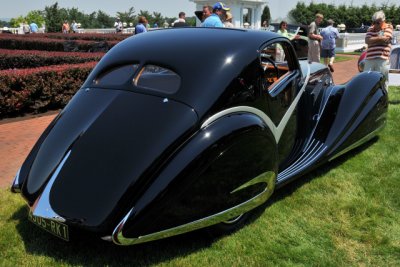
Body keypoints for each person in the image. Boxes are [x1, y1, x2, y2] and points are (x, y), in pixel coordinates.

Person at [364, 10, 393, 83]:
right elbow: (367, 41)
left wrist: (372, 40)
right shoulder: (370, 28)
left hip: (382, 58)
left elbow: (385, 40)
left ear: (383, 21)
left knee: (382, 81)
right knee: (366, 80)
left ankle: (383, 94)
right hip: (369, 58)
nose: (375, 25)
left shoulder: (388, 27)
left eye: (378, 22)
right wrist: (380, 38)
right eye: (374, 22)